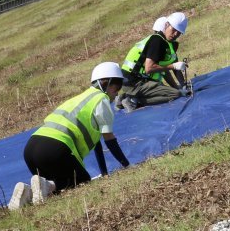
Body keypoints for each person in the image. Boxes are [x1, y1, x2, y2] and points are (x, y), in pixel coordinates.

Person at [10, 62, 131, 208]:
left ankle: (26, 194)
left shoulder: (80, 98)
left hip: (31, 148)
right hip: (55, 149)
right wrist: (127, 166)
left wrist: (104, 173)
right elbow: (109, 140)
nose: (118, 92)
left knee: (49, 188)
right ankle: (46, 185)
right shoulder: (101, 100)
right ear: (106, 83)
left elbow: (97, 143)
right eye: (117, 86)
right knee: (82, 180)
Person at [117, 11, 189, 110]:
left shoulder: (169, 44)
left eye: (179, 33)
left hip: (139, 80)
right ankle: (134, 100)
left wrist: (182, 86)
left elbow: (171, 69)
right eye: (174, 30)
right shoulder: (157, 41)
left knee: (174, 91)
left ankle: (127, 97)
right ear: (167, 25)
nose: (175, 34)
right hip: (134, 81)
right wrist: (178, 90)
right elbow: (149, 68)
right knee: (174, 94)